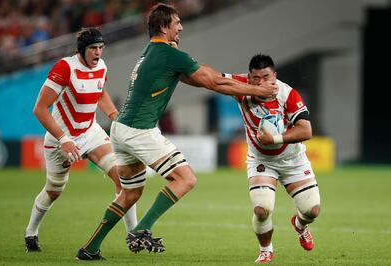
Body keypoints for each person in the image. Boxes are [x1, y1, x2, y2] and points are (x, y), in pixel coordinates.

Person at [76, 4, 278, 261]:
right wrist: (260, 91)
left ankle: (90, 248)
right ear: (164, 26)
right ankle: (142, 229)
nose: (181, 26)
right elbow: (213, 81)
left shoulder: (151, 51)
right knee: (186, 179)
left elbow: (200, 78)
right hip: (140, 130)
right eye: (177, 22)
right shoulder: (169, 54)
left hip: (121, 129)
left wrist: (222, 80)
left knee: (131, 193)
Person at [24, 27, 138, 253]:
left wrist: (115, 116)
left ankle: (134, 235)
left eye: (101, 48)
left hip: (90, 132)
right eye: (93, 48)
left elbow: (100, 93)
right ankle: (31, 233)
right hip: (61, 139)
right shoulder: (65, 68)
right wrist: (63, 139)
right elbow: (39, 109)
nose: (98, 53)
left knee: (124, 177)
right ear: (82, 50)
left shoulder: (102, 67)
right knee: (54, 190)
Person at [223, 54, 321, 263]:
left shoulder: (288, 94)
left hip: (292, 160)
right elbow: (212, 79)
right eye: (256, 78)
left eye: (266, 77)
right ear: (249, 78)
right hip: (261, 160)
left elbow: (306, 130)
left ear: (274, 75)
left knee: (312, 210)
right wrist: (183, 69)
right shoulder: (241, 86)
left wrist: (275, 138)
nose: (262, 82)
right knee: (262, 209)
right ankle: (266, 249)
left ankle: (299, 224)